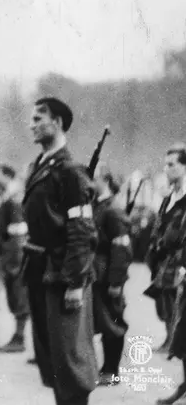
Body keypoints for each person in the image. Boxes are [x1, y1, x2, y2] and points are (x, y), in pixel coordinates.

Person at [22, 97, 98, 405]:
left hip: (62, 274)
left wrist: (76, 282)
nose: (32, 124)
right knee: (52, 356)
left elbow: (81, 232)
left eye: (38, 118)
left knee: (70, 358)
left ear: (58, 123)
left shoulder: (70, 172)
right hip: (40, 270)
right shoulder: (39, 166)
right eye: (32, 118)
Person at [145, 144, 186, 405]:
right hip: (168, 262)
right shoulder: (169, 197)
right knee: (178, 322)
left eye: (172, 164)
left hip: (182, 265)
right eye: (166, 164)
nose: (166, 168)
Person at [91, 165, 131, 386]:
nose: (90, 183)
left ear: (105, 181)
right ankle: (105, 368)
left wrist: (116, 281)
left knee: (112, 322)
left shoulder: (113, 209)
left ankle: (111, 371)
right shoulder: (98, 205)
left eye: (94, 178)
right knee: (104, 321)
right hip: (98, 272)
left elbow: (121, 248)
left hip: (107, 274)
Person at [0, 163, 30, 354]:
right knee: (15, 295)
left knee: (19, 296)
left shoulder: (14, 199)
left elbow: (18, 234)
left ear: (6, 175)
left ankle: (19, 337)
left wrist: (15, 262)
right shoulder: (9, 196)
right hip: (10, 255)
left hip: (14, 257)